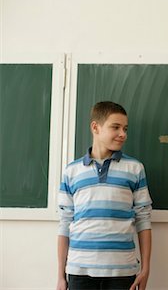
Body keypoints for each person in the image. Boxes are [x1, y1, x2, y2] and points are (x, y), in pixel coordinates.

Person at [56, 101, 152, 290]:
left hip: (122, 272)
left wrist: (146, 269)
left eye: (125, 128)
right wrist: (60, 275)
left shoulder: (135, 168)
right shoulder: (72, 171)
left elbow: (144, 219)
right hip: (79, 270)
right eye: (115, 127)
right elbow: (65, 222)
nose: (122, 134)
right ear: (95, 127)